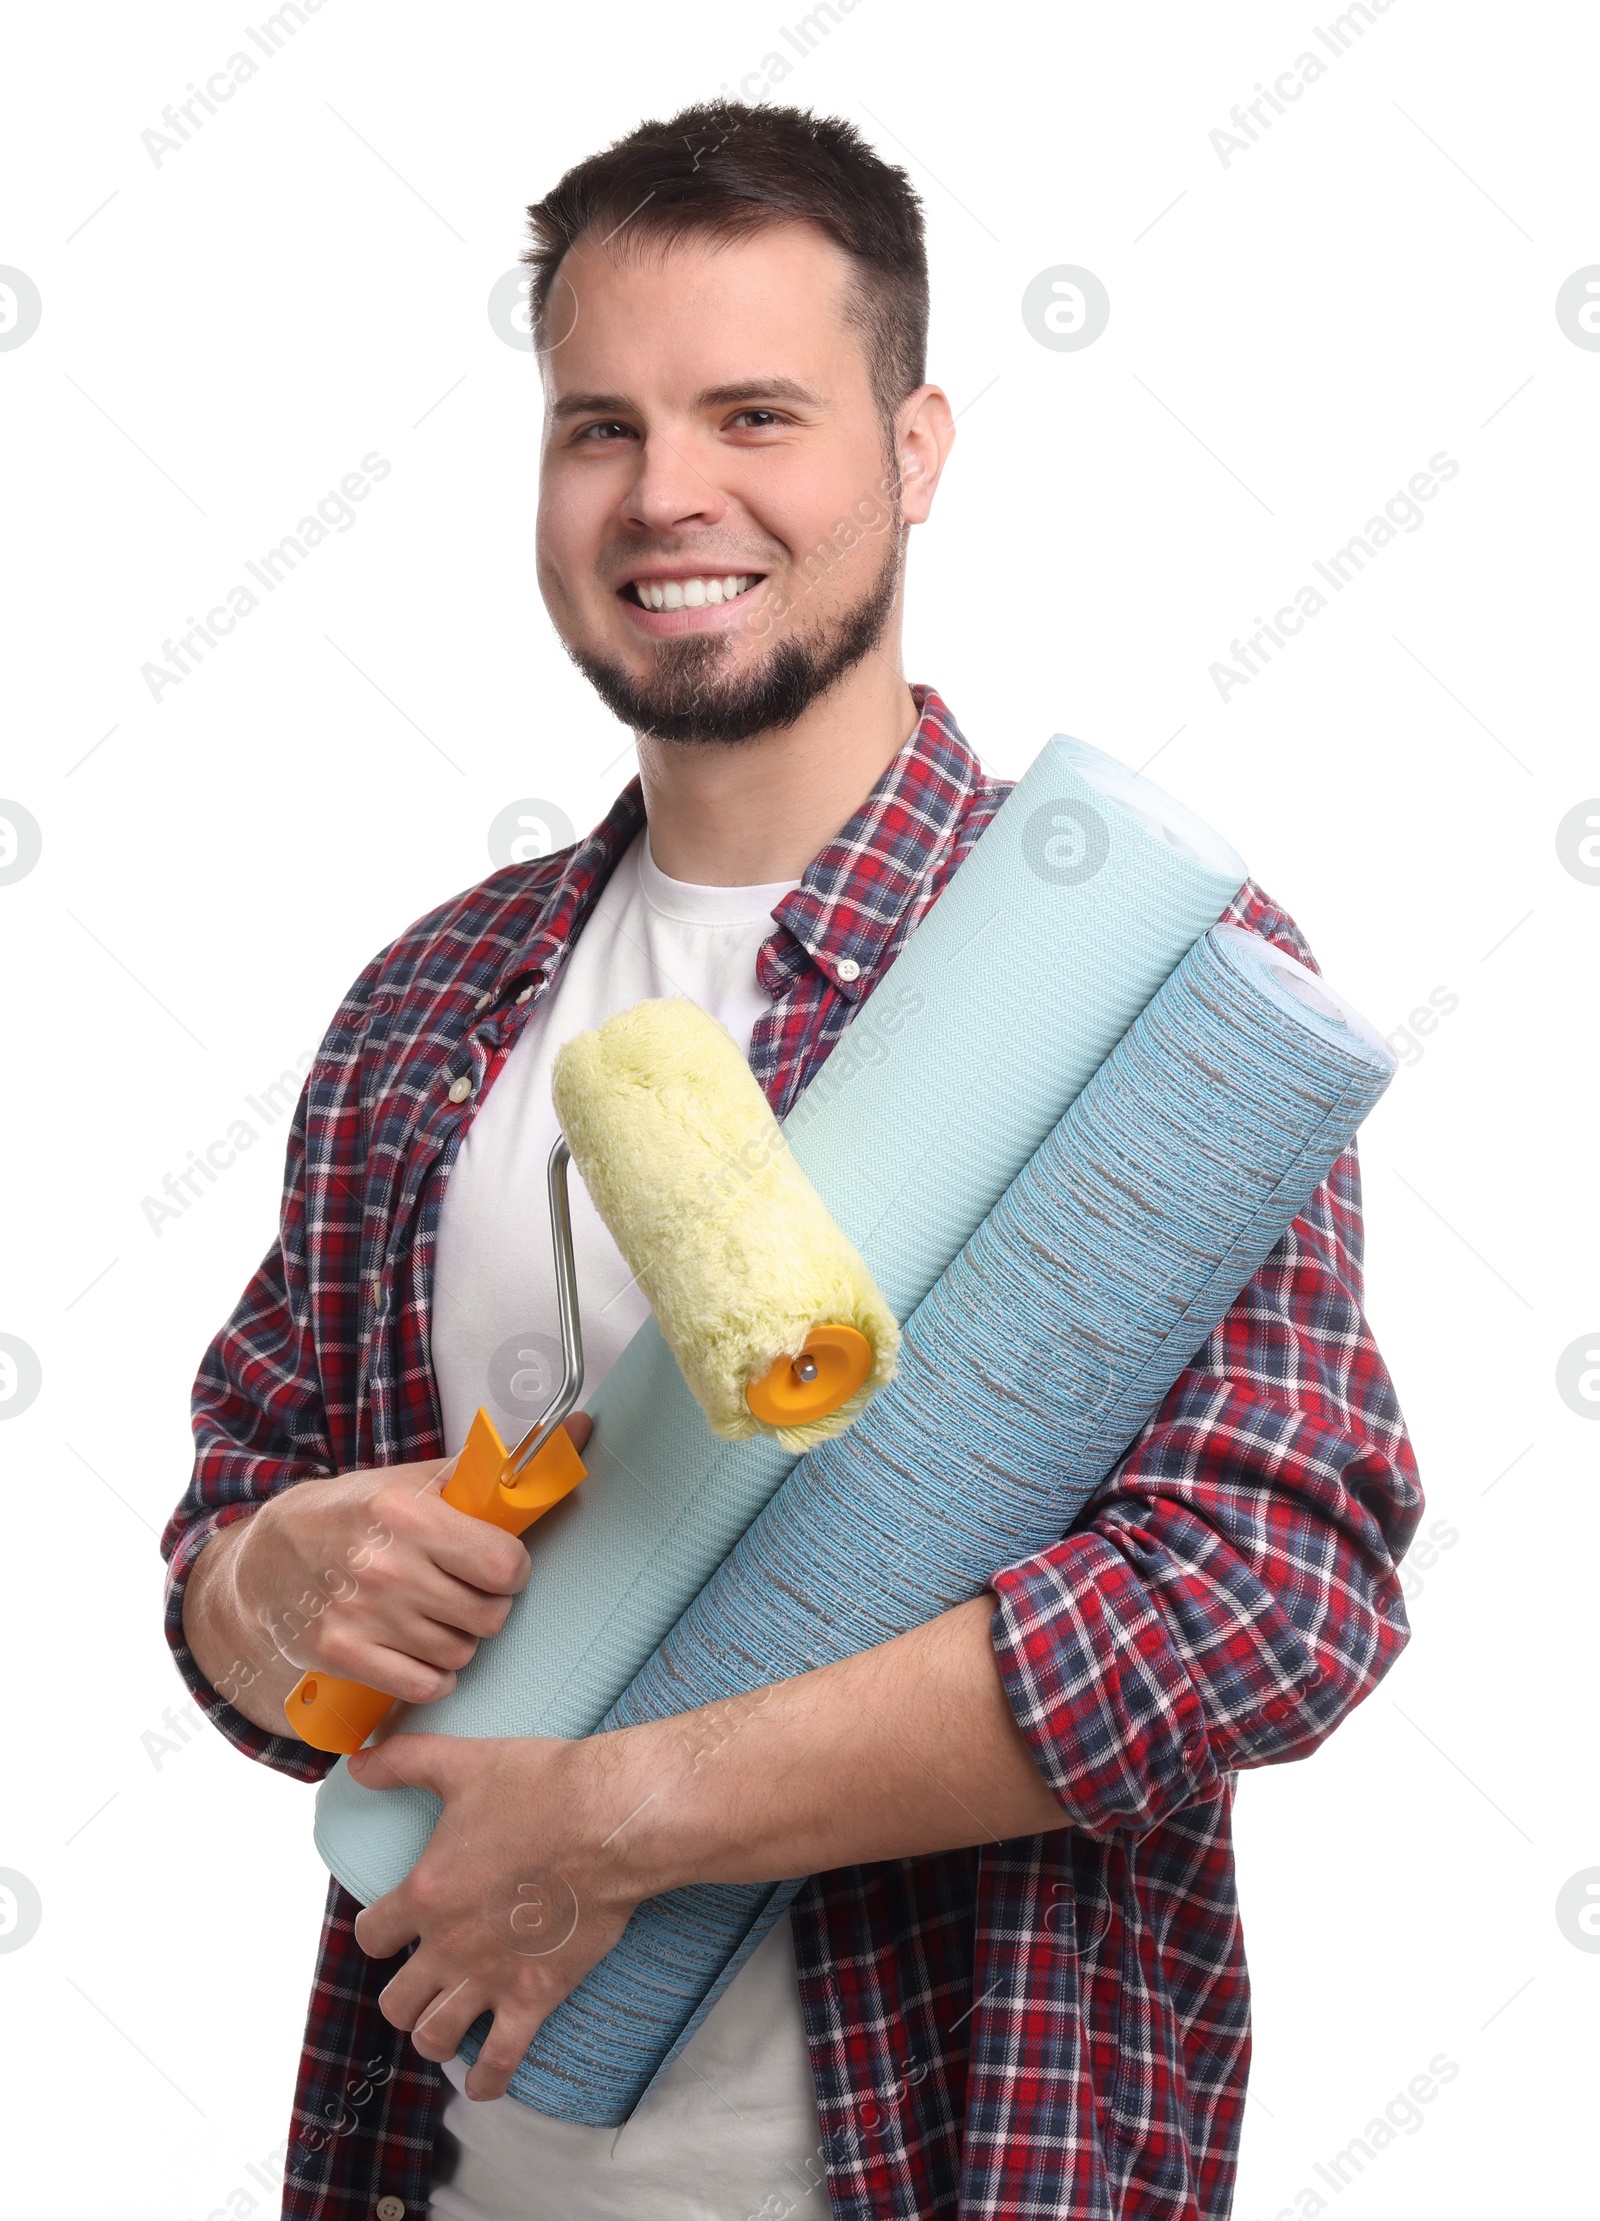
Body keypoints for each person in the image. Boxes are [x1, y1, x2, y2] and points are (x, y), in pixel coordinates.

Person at [161, 101, 1421, 2221]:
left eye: (754, 412)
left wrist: (623, 1814)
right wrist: (267, 1584)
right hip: (432, 2167)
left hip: (948, 2157)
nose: (669, 495)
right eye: (597, 428)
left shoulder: (1137, 985)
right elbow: (234, 1557)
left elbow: (1265, 1594)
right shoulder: (421, 1014)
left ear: (913, 450)